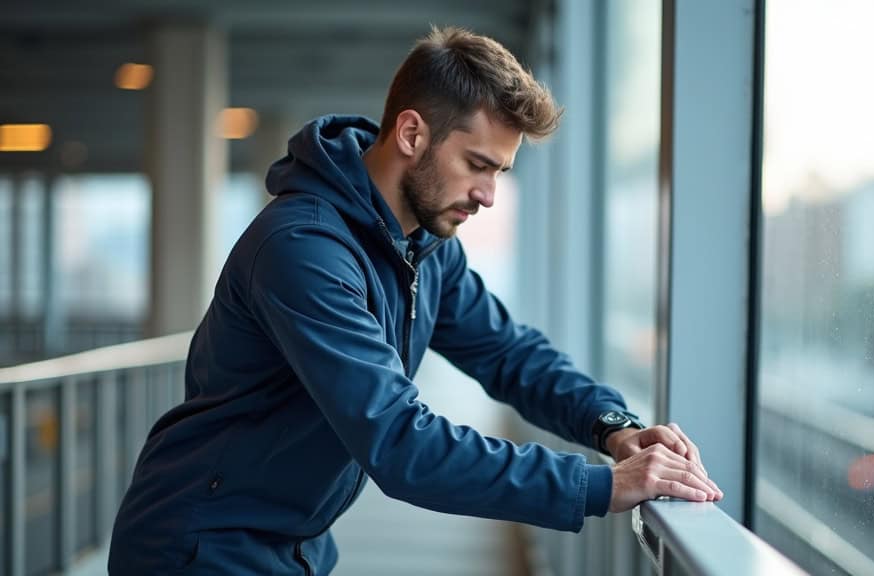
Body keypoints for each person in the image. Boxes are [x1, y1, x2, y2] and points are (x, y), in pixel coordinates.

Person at [108, 26, 722, 575]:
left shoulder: (424, 245)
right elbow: (401, 442)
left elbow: (508, 353)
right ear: (411, 132)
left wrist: (612, 426)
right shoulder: (303, 249)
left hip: (295, 544)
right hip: (199, 546)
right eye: (477, 164)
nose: (486, 195)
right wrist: (596, 486)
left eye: (500, 173)